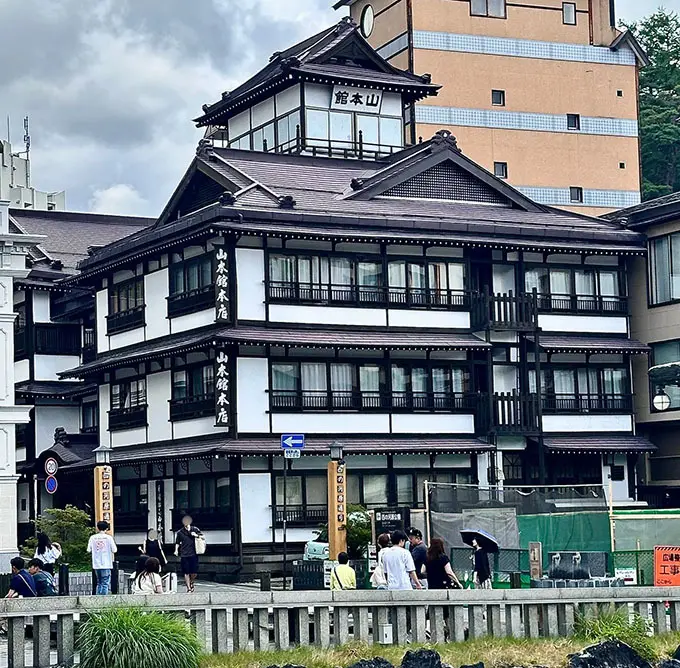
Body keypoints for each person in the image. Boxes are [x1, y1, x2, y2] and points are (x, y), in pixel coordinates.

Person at [87, 521, 118, 595]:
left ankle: (98, 599)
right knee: (105, 582)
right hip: (106, 563)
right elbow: (114, 550)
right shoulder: (109, 538)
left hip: (96, 564)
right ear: (106, 528)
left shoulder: (92, 537)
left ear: (97, 528)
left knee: (99, 582)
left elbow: (88, 550)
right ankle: (103, 600)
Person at [174, 515, 202, 593]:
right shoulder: (180, 532)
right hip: (184, 554)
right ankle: (188, 588)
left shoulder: (195, 529)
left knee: (194, 572)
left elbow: (202, 537)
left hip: (194, 553)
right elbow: (177, 542)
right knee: (186, 572)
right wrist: (176, 550)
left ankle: (192, 581)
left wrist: (195, 535)